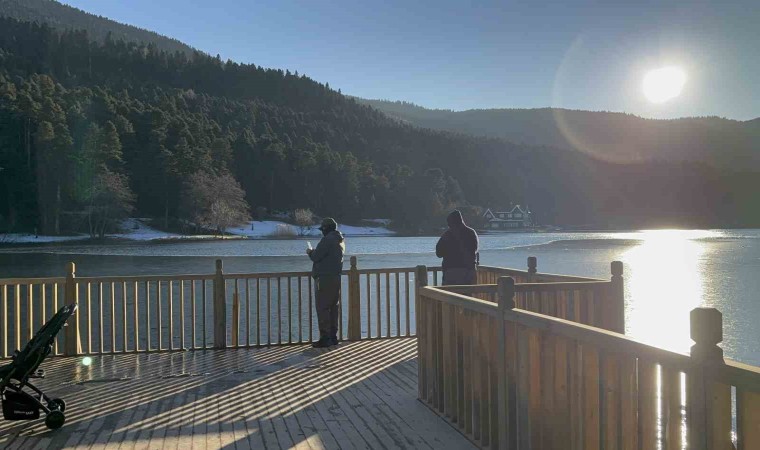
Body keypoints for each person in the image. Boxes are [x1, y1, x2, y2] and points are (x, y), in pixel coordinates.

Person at [307, 217, 345, 348]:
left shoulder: (327, 240)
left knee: (322, 307)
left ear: (326, 229)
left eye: (322, 229)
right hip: (336, 278)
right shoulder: (340, 240)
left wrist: (310, 252)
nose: (321, 232)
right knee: (334, 308)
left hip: (324, 279)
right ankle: (333, 337)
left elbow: (316, 256)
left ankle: (325, 338)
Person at [436, 210, 479, 285]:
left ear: (450, 223)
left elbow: (438, 253)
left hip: (451, 273)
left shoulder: (447, 235)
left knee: (450, 292)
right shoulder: (471, 233)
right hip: (469, 272)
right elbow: (475, 249)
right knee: (468, 292)